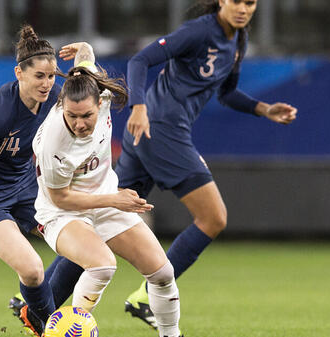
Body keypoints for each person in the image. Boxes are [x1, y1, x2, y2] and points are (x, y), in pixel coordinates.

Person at [115, 0, 299, 328]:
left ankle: (41, 298)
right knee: (213, 218)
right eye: (236, 1)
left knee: (105, 218)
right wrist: (137, 105)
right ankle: (147, 296)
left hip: (153, 132)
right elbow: (140, 59)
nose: (243, 8)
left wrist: (264, 109)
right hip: (161, 128)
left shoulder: (237, 39)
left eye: (251, 2)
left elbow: (226, 93)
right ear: (221, 2)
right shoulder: (199, 32)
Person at [32, 42, 183, 337]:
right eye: (71, 116)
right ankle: (69, 332)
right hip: (60, 213)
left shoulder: (97, 90)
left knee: (163, 273)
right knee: (102, 265)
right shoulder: (54, 143)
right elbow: (59, 197)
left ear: (99, 103)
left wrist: (85, 47)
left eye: (85, 116)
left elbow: (86, 60)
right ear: (62, 105)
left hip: (104, 201)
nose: (78, 123)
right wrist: (114, 199)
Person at [0, 24, 74, 337]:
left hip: (27, 191)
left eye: (51, 76)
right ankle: (51, 327)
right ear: (19, 73)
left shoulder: (54, 101)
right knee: (33, 269)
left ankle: (33, 311)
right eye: (39, 76)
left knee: (82, 245)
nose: (47, 84)